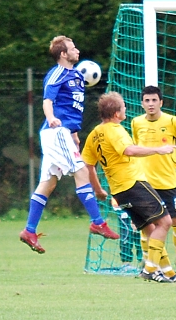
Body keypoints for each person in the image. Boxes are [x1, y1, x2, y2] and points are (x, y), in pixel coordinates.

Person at [19, 35, 119, 254]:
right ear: (63, 54)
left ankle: (29, 230)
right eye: (73, 48)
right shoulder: (57, 73)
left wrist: (74, 134)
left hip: (64, 132)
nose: (78, 51)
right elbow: (47, 100)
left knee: (48, 183)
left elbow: (70, 106)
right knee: (81, 170)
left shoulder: (75, 75)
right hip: (56, 131)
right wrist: (51, 117)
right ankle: (98, 222)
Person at [83, 92, 176, 283]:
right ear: (115, 113)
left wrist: (98, 189)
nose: (126, 109)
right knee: (166, 222)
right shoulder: (116, 129)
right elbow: (129, 150)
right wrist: (159, 150)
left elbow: (89, 165)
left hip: (119, 192)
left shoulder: (94, 134)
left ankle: (169, 272)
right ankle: (150, 269)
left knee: (150, 229)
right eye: (123, 107)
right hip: (133, 183)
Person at [131, 86, 176, 277]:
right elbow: (135, 149)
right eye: (147, 100)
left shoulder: (171, 121)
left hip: (168, 182)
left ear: (161, 102)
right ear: (142, 103)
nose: (150, 104)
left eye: (154, 100)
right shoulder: (136, 123)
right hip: (145, 184)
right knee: (147, 225)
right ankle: (149, 265)